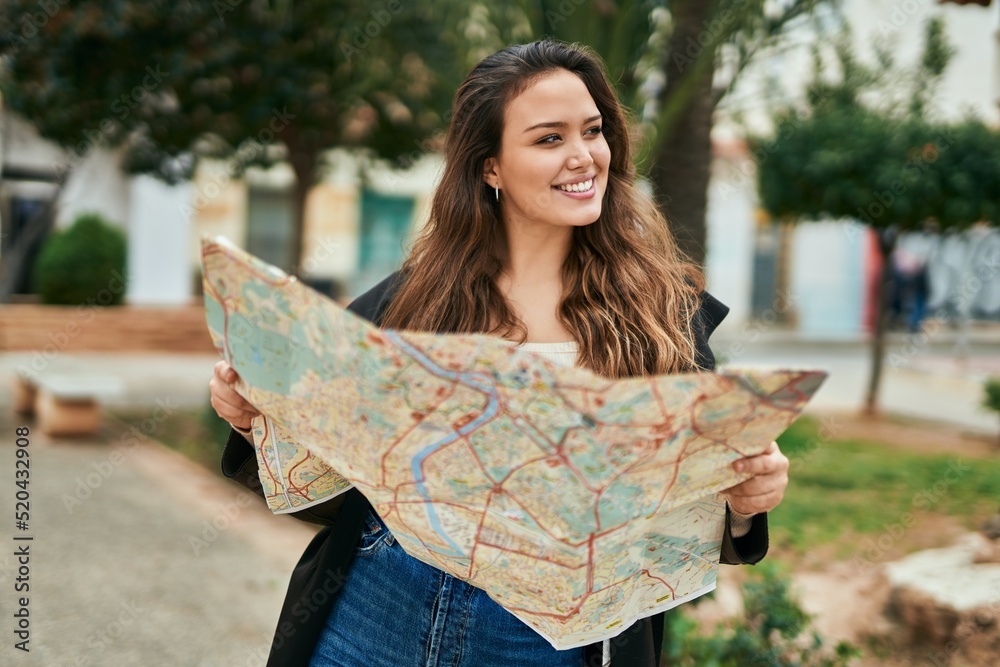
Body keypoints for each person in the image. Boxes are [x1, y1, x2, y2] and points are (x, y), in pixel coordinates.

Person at [209, 40, 789, 667]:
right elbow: (332, 477)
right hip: (374, 613)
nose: (582, 155)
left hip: (545, 642)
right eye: (549, 138)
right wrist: (255, 417)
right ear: (490, 168)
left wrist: (742, 505)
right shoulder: (409, 301)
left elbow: (689, 518)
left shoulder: (663, 318)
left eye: (592, 131)